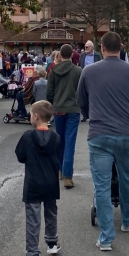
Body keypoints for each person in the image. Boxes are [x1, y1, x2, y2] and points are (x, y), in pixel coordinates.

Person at [77, 31, 129, 250]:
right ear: (121, 47)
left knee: (102, 184)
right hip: (126, 133)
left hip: (99, 133)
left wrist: (93, 116)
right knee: (127, 177)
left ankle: (106, 237)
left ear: (102, 48)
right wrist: (128, 116)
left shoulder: (88, 72)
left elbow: (81, 101)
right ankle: (127, 220)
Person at [15, 100, 62, 256]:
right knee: (51, 213)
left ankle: (33, 255)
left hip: (33, 184)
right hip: (51, 183)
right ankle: (52, 243)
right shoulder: (56, 138)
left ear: (35, 116)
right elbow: (59, 158)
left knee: (33, 218)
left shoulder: (28, 137)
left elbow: (20, 156)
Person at [46, 44, 83, 189]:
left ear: (60, 55)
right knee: (70, 141)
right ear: (72, 55)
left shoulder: (54, 70)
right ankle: (68, 176)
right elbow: (81, 90)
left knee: (59, 140)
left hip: (58, 108)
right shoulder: (78, 71)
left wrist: (53, 103)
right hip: (73, 108)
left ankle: (59, 170)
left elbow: (49, 91)